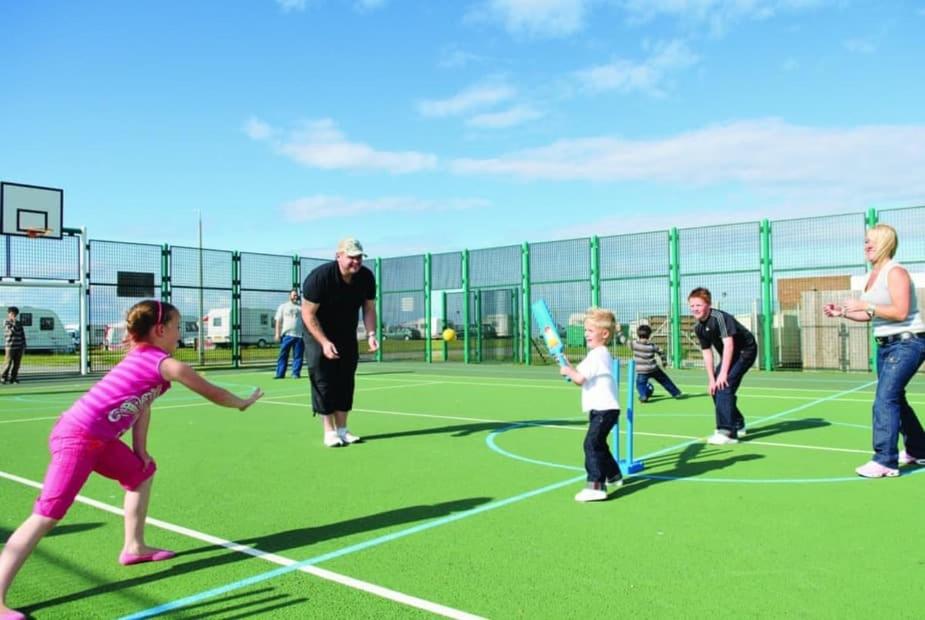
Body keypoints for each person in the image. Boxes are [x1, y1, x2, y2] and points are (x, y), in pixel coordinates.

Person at [0, 300, 263, 620]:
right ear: (160, 330)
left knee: (142, 473)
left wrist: (140, 449)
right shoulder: (167, 364)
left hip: (102, 441)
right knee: (47, 514)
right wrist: (242, 403)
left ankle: (134, 548)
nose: (180, 334)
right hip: (77, 438)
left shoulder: (146, 361)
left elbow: (144, 401)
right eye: (178, 327)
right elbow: (215, 393)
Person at [823, 224, 925, 477]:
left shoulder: (896, 272)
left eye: (872, 241)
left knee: (885, 399)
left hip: (907, 343)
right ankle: (919, 449)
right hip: (886, 345)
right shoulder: (873, 276)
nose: (866, 246)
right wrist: (844, 312)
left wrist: (865, 305)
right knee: (895, 399)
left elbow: (900, 312)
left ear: (885, 243)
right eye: (865, 241)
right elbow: (871, 315)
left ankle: (885, 461)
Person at [301, 237, 378, 448]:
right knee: (324, 378)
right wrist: (324, 342)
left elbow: (369, 308)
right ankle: (329, 431)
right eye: (351, 257)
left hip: (346, 333)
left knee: (345, 378)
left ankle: (343, 429)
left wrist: (371, 334)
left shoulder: (366, 277)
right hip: (317, 331)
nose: (356, 261)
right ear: (339, 256)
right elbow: (308, 314)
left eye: (359, 257)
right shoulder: (319, 278)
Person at [558, 307, 623, 502]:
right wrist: (568, 367)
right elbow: (579, 374)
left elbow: (579, 379)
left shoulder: (597, 354)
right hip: (603, 409)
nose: (586, 334)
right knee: (599, 443)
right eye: (585, 330)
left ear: (604, 334)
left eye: (590, 331)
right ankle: (614, 475)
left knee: (591, 444)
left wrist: (569, 372)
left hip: (604, 409)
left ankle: (596, 486)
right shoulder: (598, 354)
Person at [688, 287, 757, 445]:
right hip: (731, 354)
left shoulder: (719, 318)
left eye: (698, 305)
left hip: (745, 351)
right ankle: (737, 424)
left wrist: (723, 374)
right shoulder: (699, 327)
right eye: (692, 306)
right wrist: (712, 379)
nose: (694, 309)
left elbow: (729, 345)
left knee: (724, 386)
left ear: (709, 304)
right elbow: (707, 353)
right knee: (715, 389)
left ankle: (727, 433)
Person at [631, 324, 682, 402]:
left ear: (638, 334)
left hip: (642, 371)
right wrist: (664, 362)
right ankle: (676, 393)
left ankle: (643, 395)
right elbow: (661, 352)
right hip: (654, 368)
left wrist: (619, 332)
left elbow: (623, 340)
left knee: (640, 384)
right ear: (649, 335)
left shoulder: (634, 344)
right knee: (665, 381)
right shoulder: (652, 346)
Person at [274, 288, 305, 379]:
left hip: (299, 336)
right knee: (283, 355)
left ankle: (295, 373)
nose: (296, 297)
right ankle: (280, 374)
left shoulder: (301, 308)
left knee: (298, 356)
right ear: (290, 296)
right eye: (294, 295)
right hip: (287, 335)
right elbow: (278, 321)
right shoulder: (283, 306)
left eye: (297, 295)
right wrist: (277, 333)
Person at [2, 306, 26, 385]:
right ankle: (3, 377)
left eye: (15, 314)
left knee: (17, 364)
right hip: (10, 346)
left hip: (19, 346)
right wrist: (14, 322)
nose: (13, 315)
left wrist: (24, 345)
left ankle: (13, 378)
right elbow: (12, 332)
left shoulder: (19, 323)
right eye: (12, 313)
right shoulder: (6, 322)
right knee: (8, 363)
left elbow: (22, 334)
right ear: (8, 314)